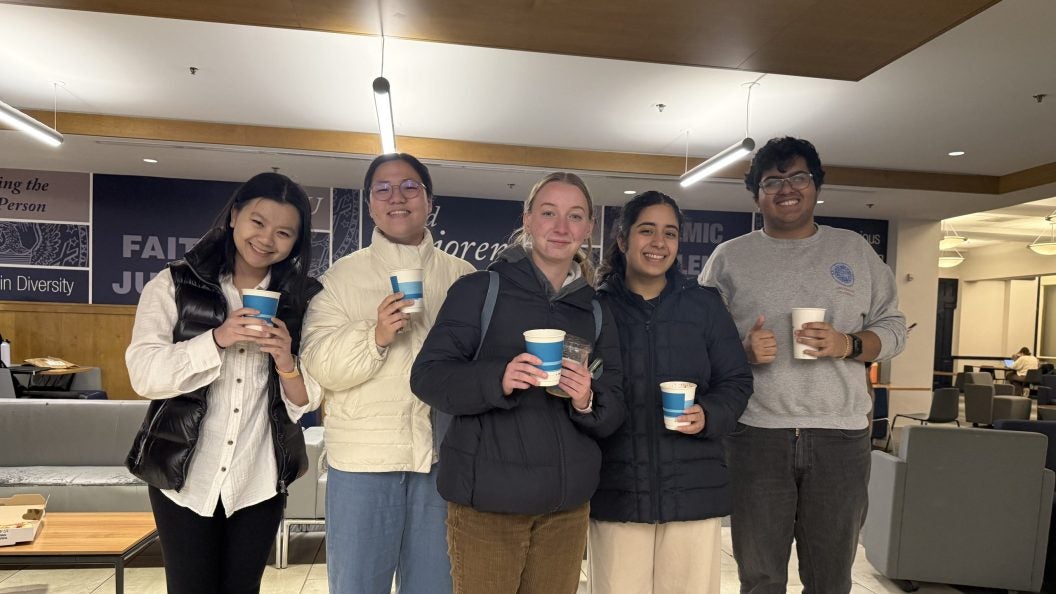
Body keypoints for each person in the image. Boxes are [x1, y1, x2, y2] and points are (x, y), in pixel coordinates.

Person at [699, 136, 907, 593]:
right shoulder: (729, 258)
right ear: (756, 194)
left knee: (831, 577)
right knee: (760, 576)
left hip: (841, 437)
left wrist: (847, 343)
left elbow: (894, 329)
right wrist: (742, 350)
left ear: (816, 187)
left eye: (798, 178)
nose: (786, 189)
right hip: (756, 436)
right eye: (772, 181)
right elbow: (699, 342)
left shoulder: (853, 251)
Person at [410, 172, 625, 594]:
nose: (561, 227)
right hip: (486, 507)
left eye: (574, 216)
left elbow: (614, 405)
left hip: (565, 510)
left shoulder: (596, 310)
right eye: (548, 213)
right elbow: (428, 377)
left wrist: (586, 399)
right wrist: (499, 377)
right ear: (527, 219)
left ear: (588, 228)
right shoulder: (480, 290)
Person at [125, 172, 323, 594]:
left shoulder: (304, 299)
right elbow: (143, 374)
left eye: (284, 232)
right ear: (234, 216)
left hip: (258, 480)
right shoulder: (174, 283)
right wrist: (217, 339)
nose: (267, 239)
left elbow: (307, 402)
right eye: (258, 222)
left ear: (296, 241)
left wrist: (287, 360)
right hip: (183, 477)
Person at [300, 153, 474, 594]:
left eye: (410, 187)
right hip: (362, 464)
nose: (398, 197)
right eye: (383, 189)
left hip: (441, 463)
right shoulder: (340, 279)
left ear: (429, 200)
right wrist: (374, 336)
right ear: (370, 204)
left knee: (436, 587)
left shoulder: (465, 278)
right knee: (357, 585)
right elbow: (318, 367)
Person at [589, 191, 753, 593]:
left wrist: (709, 414)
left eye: (670, 233)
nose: (659, 243)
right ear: (623, 240)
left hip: (693, 489)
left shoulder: (704, 306)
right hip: (617, 490)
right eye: (647, 231)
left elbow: (736, 380)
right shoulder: (594, 308)